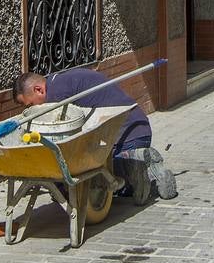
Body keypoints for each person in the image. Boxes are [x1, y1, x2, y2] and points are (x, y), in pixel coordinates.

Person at [13, 68, 177, 204]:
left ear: (38, 90)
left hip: (126, 137)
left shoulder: (56, 97)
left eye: (31, 105)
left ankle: (135, 162)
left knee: (105, 180)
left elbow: (65, 142)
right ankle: (145, 165)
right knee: (123, 191)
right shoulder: (58, 81)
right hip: (138, 129)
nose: (32, 110)